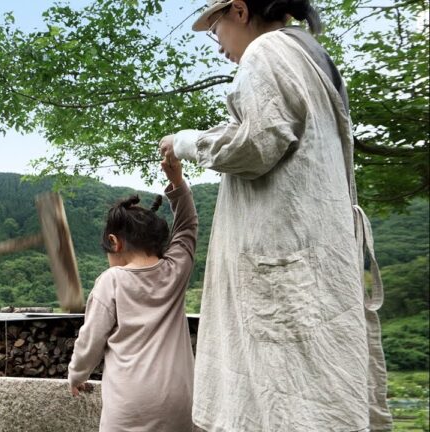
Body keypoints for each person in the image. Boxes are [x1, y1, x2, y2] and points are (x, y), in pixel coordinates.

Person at [159, 1, 392, 431]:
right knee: (317, 399)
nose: (219, 45)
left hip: (285, 278)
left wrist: (185, 141)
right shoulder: (308, 56)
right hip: (314, 261)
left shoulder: (267, 52)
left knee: (284, 406)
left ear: (240, 11)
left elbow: (255, 143)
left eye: (216, 28)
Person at [68, 154, 198, 431]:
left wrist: (77, 374)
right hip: (181, 402)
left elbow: (90, 339)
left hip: (129, 406)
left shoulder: (111, 281)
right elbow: (187, 226)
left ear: (114, 242)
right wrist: (177, 183)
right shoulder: (175, 271)